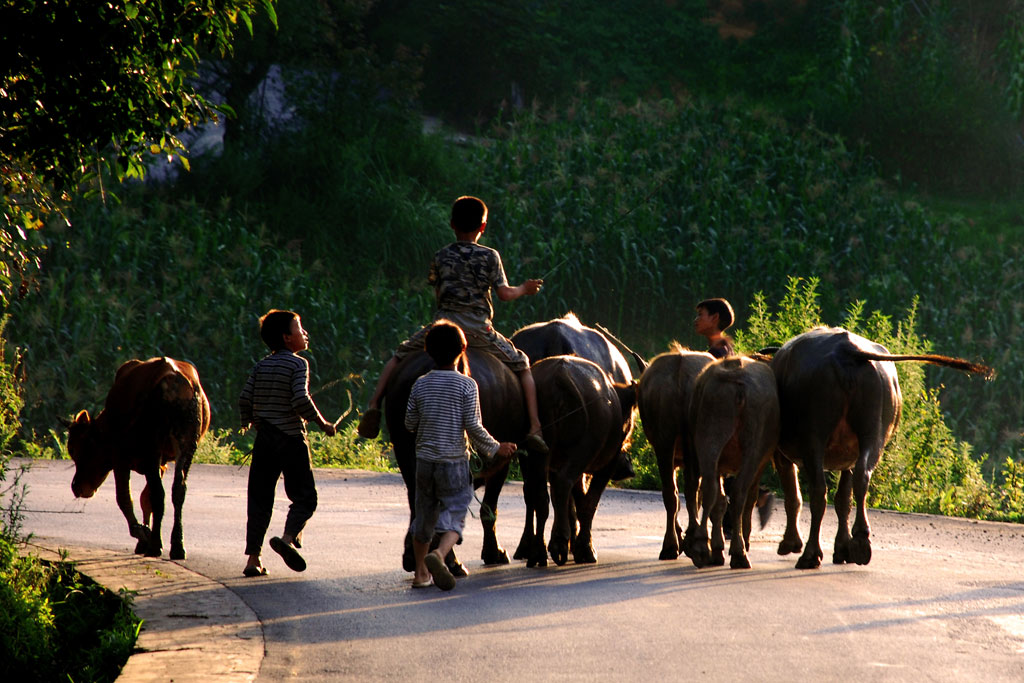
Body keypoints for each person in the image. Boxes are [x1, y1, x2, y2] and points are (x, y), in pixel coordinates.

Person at [358, 195, 548, 454]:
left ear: (452, 224)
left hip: (442, 326)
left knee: (399, 355)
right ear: (483, 227)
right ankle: (535, 427)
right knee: (523, 365)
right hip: (479, 329)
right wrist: (525, 289)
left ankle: (373, 405)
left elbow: (438, 292)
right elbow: (504, 294)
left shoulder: (441, 255)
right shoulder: (491, 256)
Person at [405, 321, 517, 591]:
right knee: (455, 514)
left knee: (424, 515)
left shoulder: (420, 385)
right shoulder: (467, 386)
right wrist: (496, 448)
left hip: (424, 462)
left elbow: (410, 423)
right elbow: (474, 427)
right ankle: (440, 554)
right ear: (464, 348)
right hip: (453, 462)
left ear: (427, 351)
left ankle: (421, 574)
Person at [239, 309, 338, 577]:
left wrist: (250, 421)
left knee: (259, 498)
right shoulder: (298, 364)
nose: (304, 333)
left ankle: (253, 559)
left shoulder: (261, 365)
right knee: (305, 497)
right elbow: (300, 400)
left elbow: (245, 397)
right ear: (286, 338)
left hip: (264, 440)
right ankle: (287, 537)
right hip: (291, 438)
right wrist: (321, 423)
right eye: (299, 328)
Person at [693, 297, 773, 535]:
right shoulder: (723, 347)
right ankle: (755, 501)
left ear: (715, 319)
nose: (696, 320)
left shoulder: (715, 353)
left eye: (701, 314)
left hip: (722, 411)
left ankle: (754, 500)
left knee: (711, 464)